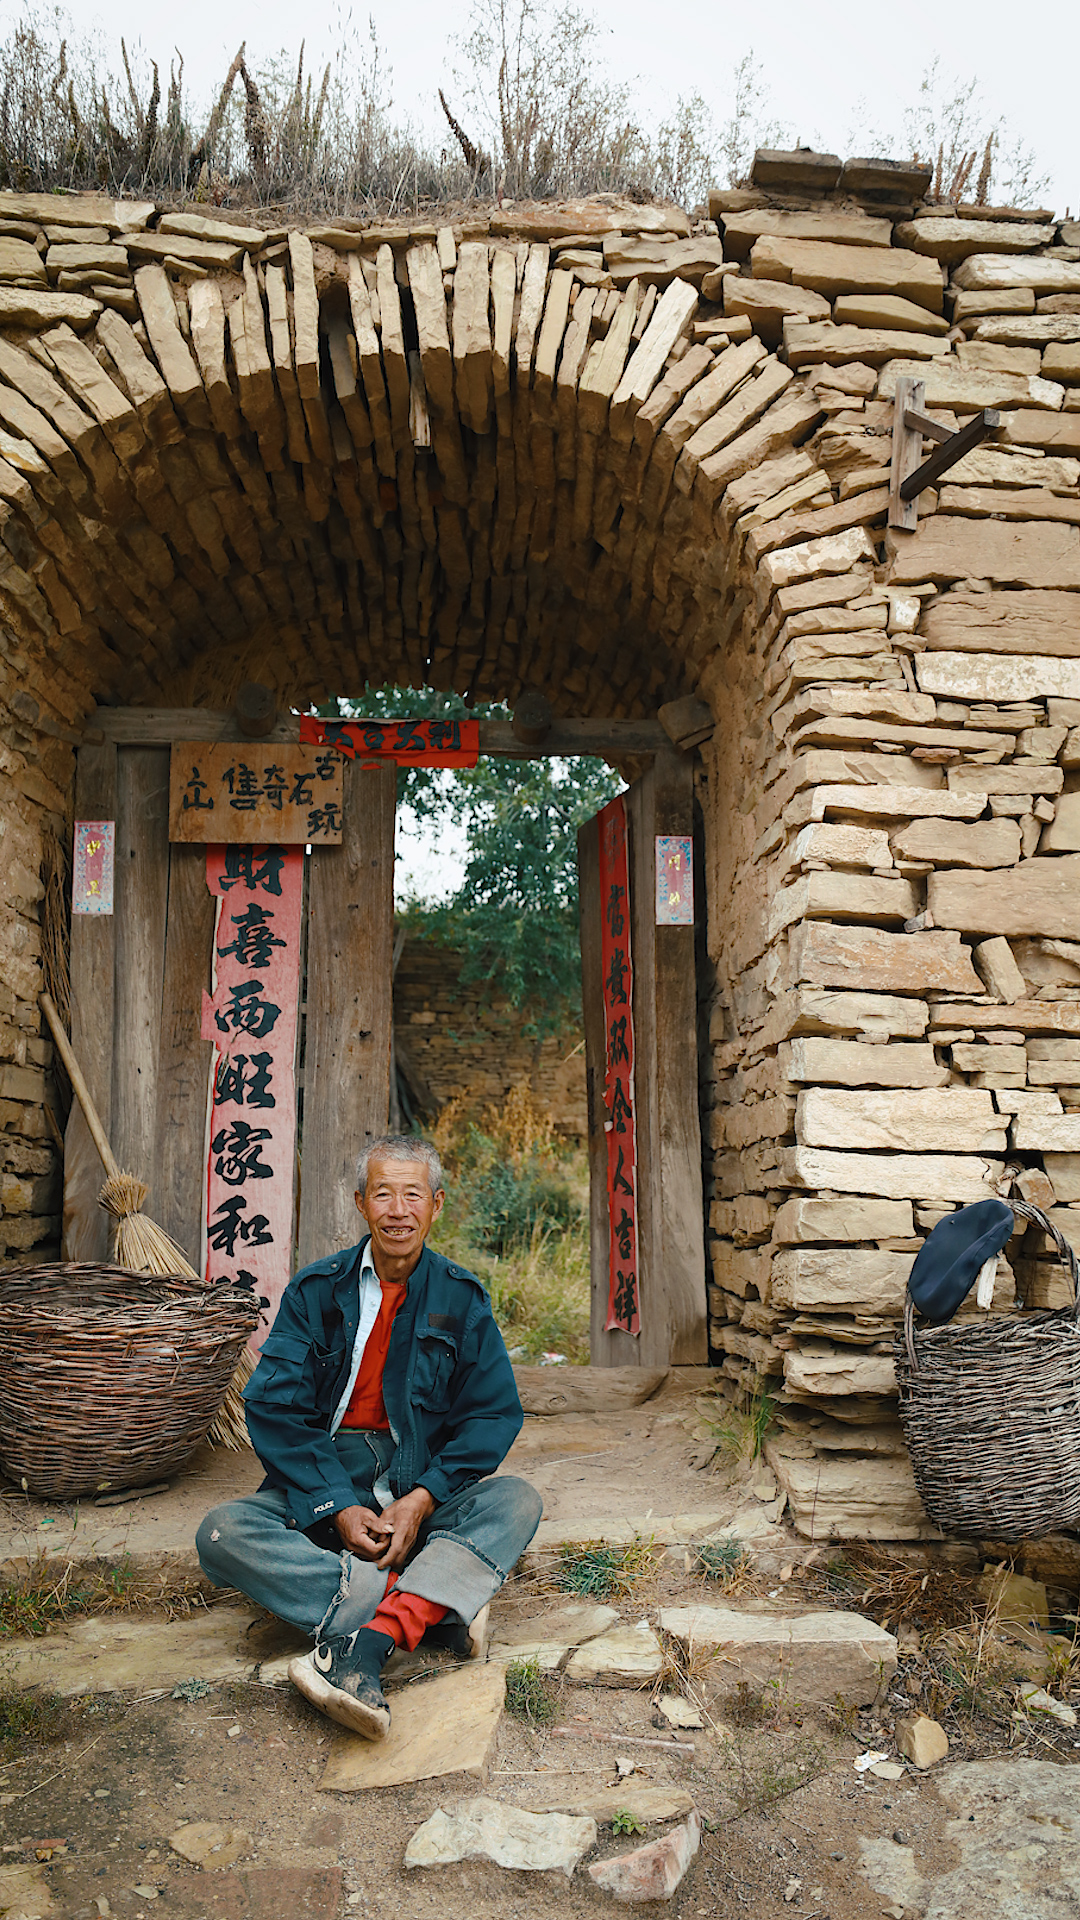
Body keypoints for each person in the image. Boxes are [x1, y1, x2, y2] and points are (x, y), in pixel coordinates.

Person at [196, 1134, 542, 1741]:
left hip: (416, 1480)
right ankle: (427, 1608)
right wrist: (338, 1504)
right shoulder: (315, 1291)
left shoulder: (461, 1300)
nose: (398, 1210)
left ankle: (371, 1638)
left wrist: (424, 1497)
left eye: (413, 1195)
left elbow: (492, 1415)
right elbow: (274, 1407)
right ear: (361, 1203)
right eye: (383, 1194)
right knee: (223, 1532)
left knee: (516, 1501)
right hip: (327, 1470)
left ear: (436, 1205)